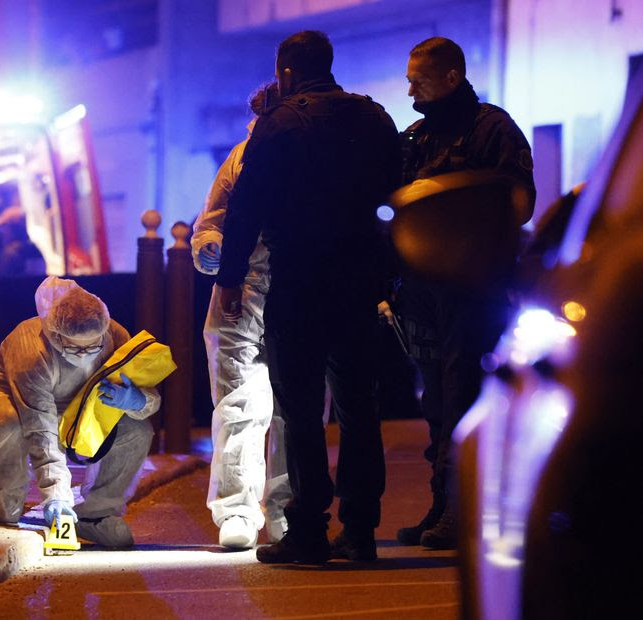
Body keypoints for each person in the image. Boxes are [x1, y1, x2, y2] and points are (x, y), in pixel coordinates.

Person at [217, 30, 401, 563]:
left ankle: (308, 531)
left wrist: (230, 278)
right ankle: (361, 530)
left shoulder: (278, 125)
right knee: (359, 407)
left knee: (299, 409)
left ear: (287, 72)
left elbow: (246, 207)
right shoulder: (374, 118)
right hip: (359, 279)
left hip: (298, 280)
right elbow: (398, 194)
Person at [384, 37, 535, 549]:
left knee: (465, 399)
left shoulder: (493, 130)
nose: (410, 91)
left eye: (418, 81)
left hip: (473, 292)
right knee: (437, 405)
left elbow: (520, 202)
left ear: (451, 77)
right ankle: (442, 506)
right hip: (425, 292)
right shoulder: (416, 138)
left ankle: (462, 512)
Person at [0, 276, 159, 547]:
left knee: (136, 431)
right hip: (9, 400)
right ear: (54, 334)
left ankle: (97, 514)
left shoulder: (114, 334)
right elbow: (39, 424)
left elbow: (147, 392)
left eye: (93, 346)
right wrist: (57, 495)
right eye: (74, 347)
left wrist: (137, 401)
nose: (84, 354)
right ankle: (7, 495)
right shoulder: (30, 348)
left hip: (77, 406)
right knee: (10, 424)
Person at [192, 83, 292, 550]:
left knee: (295, 404)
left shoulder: (260, 152)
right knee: (240, 403)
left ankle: (285, 508)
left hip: (279, 281)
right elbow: (211, 219)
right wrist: (211, 248)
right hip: (248, 283)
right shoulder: (241, 156)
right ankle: (241, 509)